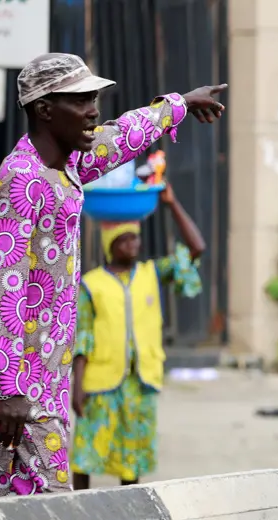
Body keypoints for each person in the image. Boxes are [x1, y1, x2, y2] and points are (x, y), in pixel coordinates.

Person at [0, 52, 225, 499]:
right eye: (82, 101)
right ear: (45, 110)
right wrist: (9, 387)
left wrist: (179, 104)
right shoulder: (21, 178)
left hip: (47, 374)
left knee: (18, 514)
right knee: (45, 510)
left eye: (95, 98)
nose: (94, 110)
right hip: (19, 382)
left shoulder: (67, 166)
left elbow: (122, 137)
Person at [69, 180, 207, 489]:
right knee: (87, 453)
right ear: (110, 245)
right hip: (100, 383)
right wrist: (77, 386)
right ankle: (76, 506)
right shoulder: (92, 284)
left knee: (131, 458)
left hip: (139, 381)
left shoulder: (151, 274)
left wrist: (171, 204)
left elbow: (197, 248)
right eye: (126, 239)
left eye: (136, 239)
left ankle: (130, 508)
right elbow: (83, 337)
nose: (134, 245)